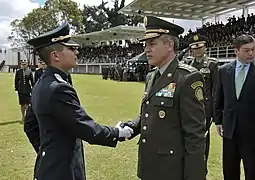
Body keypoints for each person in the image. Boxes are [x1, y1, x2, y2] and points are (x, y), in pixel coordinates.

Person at [24, 21, 133, 180]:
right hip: (63, 172)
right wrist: (117, 133)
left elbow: (29, 126)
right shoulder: (58, 88)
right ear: (55, 55)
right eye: (71, 48)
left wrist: (48, 152)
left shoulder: (42, 82)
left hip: (48, 168)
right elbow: (86, 128)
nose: (77, 51)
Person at [120, 16, 206, 180]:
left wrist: (195, 175)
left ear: (169, 45)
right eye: (145, 45)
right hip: (149, 165)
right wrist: (131, 126)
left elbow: (195, 135)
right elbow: (149, 113)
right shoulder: (152, 76)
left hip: (171, 170)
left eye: (152, 44)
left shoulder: (187, 78)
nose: (146, 49)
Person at [214, 34, 255, 180]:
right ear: (236, 51)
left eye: (253, 49)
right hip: (229, 130)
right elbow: (219, 98)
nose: (251, 53)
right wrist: (218, 121)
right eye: (246, 50)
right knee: (230, 170)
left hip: (252, 133)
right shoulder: (224, 70)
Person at [186, 34, 219, 179]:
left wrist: (214, 113)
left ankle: (201, 172)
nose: (197, 50)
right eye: (194, 48)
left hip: (205, 110)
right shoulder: (187, 65)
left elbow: (216, 90)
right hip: (188, 108)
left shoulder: (212, 64)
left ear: (205, 47)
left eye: (200, 47)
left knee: (202, 141)